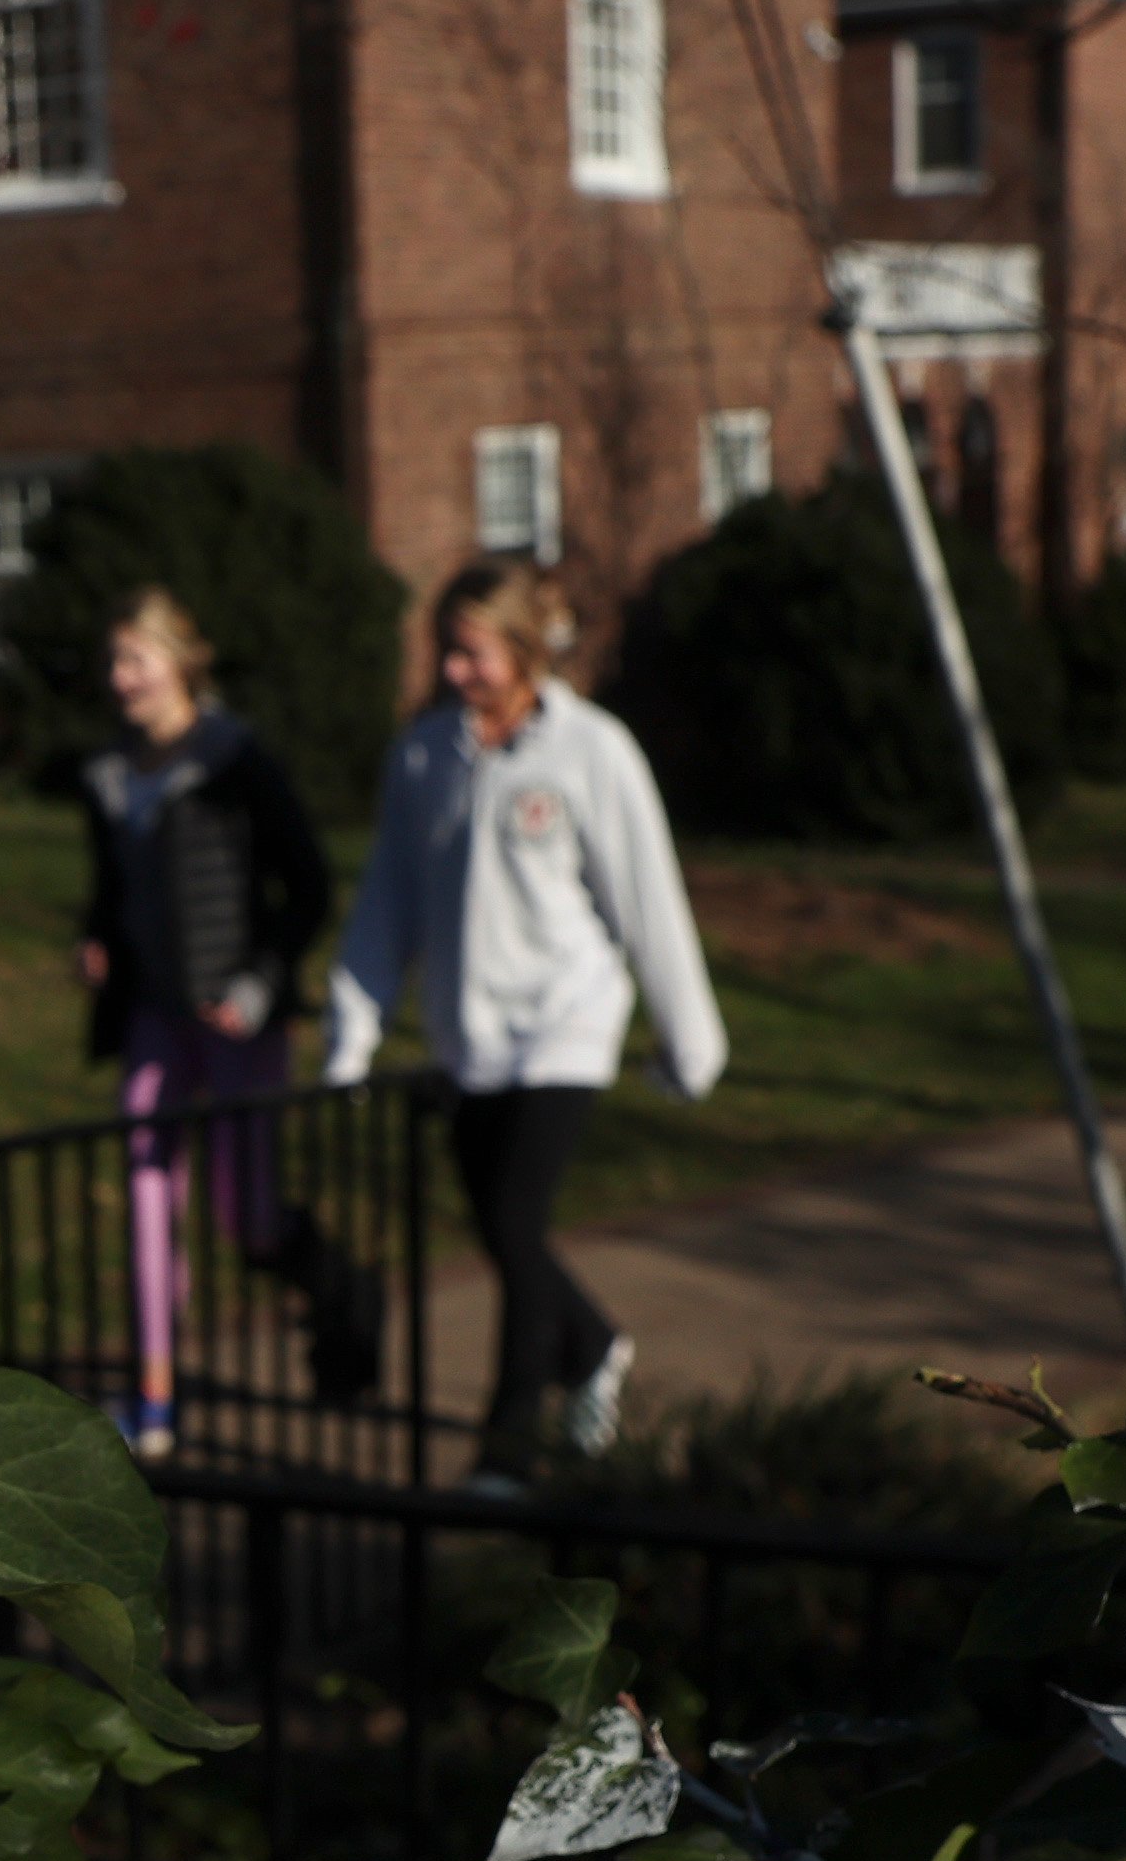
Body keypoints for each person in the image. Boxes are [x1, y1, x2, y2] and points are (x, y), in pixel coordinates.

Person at [319, 556, 724, 1488]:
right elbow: (388, 903)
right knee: (507, 1236)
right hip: (468, 1036)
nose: (454, 672)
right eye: (445, 653)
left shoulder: (591, 750)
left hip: (565, 1024)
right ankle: (590, 1347)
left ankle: (507, 1448)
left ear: (521, 646)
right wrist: (353, 1030)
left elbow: (645, 897)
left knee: (511, 1217)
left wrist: (689, 1037)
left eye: (471, 653)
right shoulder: (422, 757)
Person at [73, 590, 374, 1458]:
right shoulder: (107, 774)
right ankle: (155, 1399)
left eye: (135, 658)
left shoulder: (235, 759)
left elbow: (308, 885)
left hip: (238, 1019)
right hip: (154, 1018)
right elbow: (110, 892)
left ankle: (340, 1291)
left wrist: (253, 984)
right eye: (114, 661)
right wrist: (95, 943)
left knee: (245, 1214)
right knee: (144, 1184)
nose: (118, 677)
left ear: (180, 663)